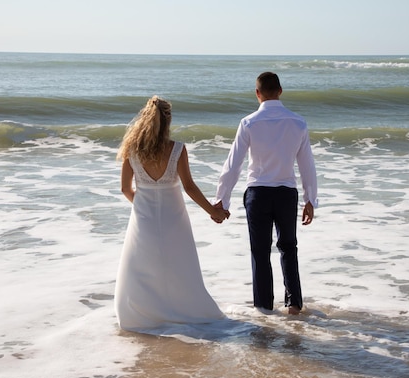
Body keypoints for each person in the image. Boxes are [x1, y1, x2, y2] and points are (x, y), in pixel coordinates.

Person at [114, 96, 229, 333]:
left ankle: (144, 316)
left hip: (143, 216)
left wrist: (142, 206)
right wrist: (214, 211)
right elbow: (189, 187)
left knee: (143, 266)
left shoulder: (132, 150)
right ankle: (182, 311)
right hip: (174, 217)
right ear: (168, 121)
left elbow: (125, 188)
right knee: (178, 265)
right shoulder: (177, 149)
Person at [214, 72, 318, 315]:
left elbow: (234, 164)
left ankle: (263, 308)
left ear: (257, 93)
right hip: (286, 193)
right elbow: (307, 165)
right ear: (280, 91)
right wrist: (310, 199)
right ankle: (293, 305)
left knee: (260, 252)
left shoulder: (249, 123)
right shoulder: (298, 122)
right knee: (288, 247)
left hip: (258, 193)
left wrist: (221, 200)